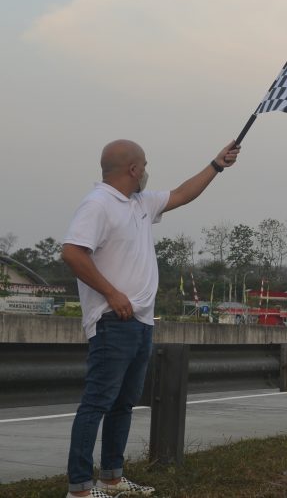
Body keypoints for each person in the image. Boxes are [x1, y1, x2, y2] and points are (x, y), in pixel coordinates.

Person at [62, 139, 239, 498]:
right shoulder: (98, 204)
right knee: (97, 403)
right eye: (144, 165)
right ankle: (79, 488)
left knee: (123, 404)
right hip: (112, 321)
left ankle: (111, 478)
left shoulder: (139, 203)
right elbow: (72, 253)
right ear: (132, 169)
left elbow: (182, 193)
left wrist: (216, 165)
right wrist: (112, 293)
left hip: (140, 322)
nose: (146, 171)